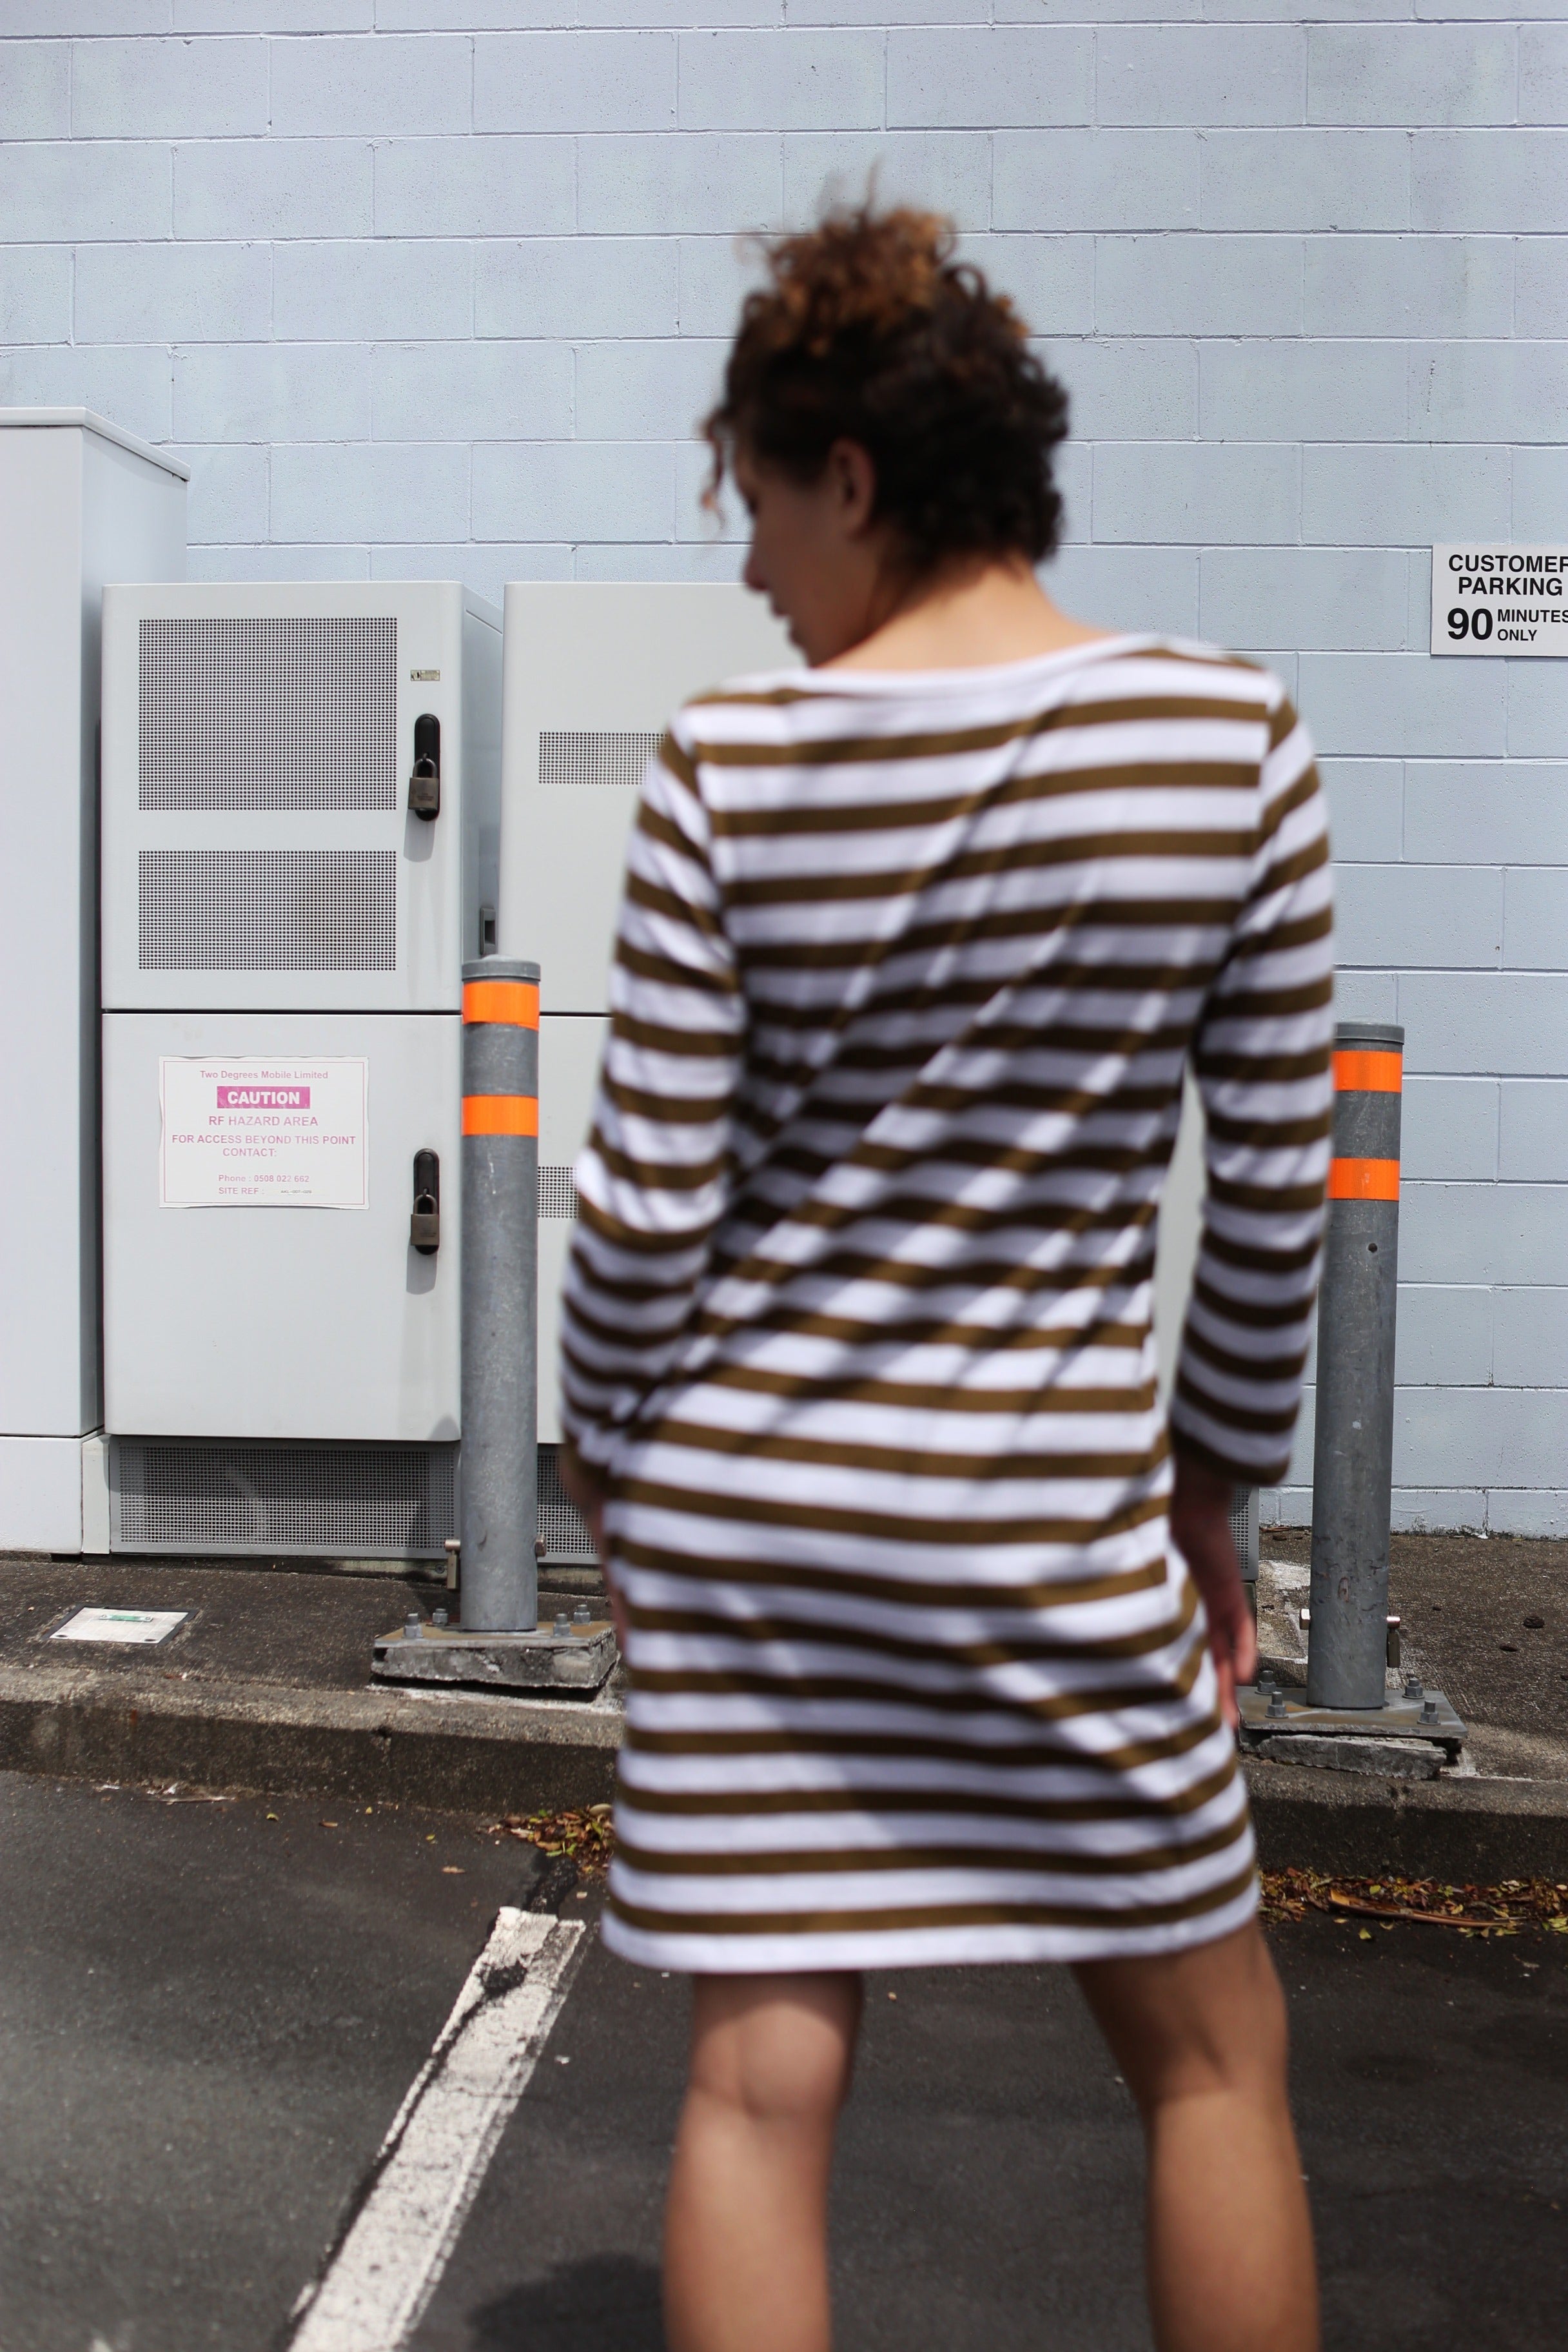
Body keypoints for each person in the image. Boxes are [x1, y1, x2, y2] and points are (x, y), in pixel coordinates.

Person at [558, 204, 1329, 2352]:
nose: (746, 567)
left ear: (860, 479)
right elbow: (1270, 1200)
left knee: (753, 2082)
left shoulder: (732, 769)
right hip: (1045, 1526)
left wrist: (606, 1458)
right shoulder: (1228, 742)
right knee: (1213, 2063)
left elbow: (642, 1211)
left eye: (754, 501)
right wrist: (1209, 1498)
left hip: (757, 1533)